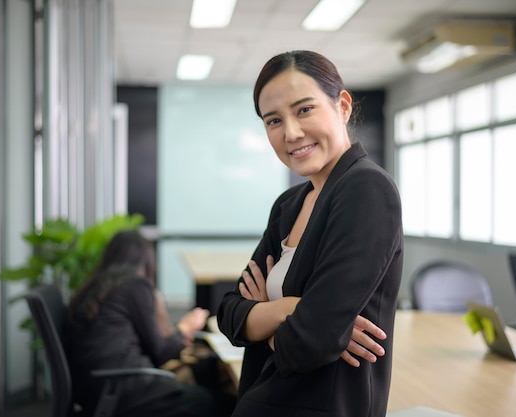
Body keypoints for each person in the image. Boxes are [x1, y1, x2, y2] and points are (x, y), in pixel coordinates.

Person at [216, 50, 403, 417]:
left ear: (343, 106)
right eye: (273, 120)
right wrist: (290, 310)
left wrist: (268, 314)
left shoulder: (365, 189)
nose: (291, 132)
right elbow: (228, 313)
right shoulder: (290, 204)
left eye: (304, 110)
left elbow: (309, 342)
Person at [66, 230, 234, 417]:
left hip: (101, 389)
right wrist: (186, 327)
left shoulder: (96, 287)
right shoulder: (134, 285)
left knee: (206, 372)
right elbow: (160, 352)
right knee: (227, 405)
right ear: (146, 261)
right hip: (128, 390)